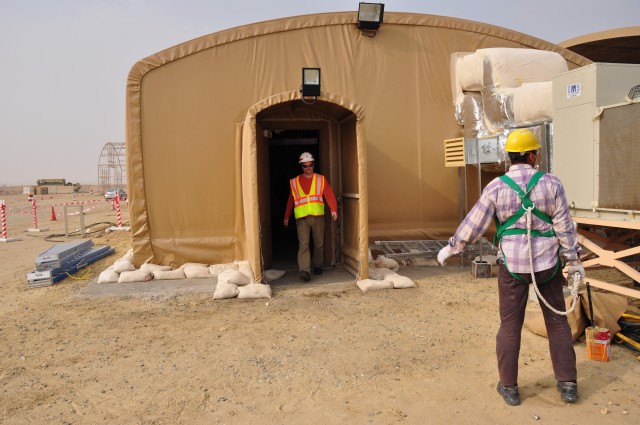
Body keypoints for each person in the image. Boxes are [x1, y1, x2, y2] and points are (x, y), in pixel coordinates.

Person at [437, 129, 586, 406]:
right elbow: (564, 227)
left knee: (509, 326)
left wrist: (453, 247)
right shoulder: (552, 183)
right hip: (548, 265)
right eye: (536, 154)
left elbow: (475, 221)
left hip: (513, 267)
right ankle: (567, 385)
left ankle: (509, 388)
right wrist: (574, 260)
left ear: (510, 157)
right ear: (531, 155)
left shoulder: (496, 186)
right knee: (557, 322)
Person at [284, 152, 338, 282]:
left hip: (318, 217)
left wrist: (334, 209)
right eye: (305, 166)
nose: (308, 168)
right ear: (301, 166)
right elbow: (291, 200)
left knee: (319, 243)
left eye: (310, 165)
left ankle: (317, 265)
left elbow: (329, 195)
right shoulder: (295, 182)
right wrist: (287, 216)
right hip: (302, 219)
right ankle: (304, 271)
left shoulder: (321, 179)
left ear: (313, 165)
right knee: (304, 245)